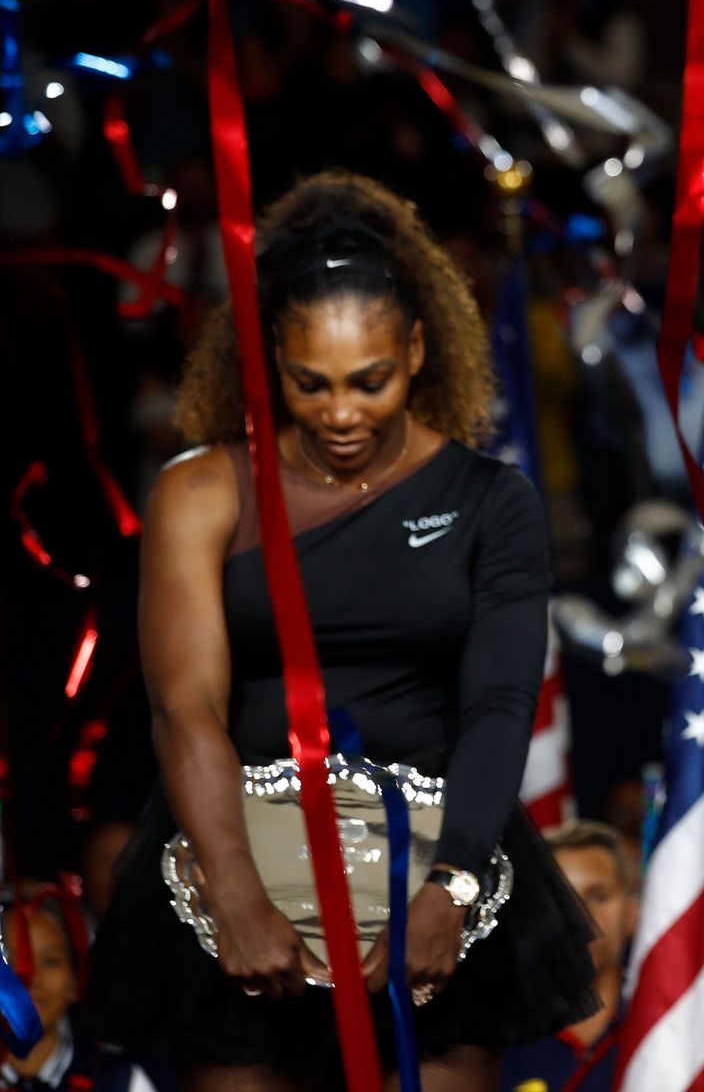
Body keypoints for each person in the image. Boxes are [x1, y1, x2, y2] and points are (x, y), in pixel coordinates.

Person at [88, 171, 597, 1091]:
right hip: (233, 855)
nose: (341, 413)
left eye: (370, 382)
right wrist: (236, 892)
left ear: (415, 349)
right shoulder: (200, 491)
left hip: (443, 864)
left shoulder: (492, 501)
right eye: (308, 385)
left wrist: (451, 891)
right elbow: (186, 705)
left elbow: (498, 706)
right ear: (268, 362)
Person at [497, 823, 638, 1092]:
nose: (580, 917)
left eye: (597, 896)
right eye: (558, 898)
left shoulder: (665, 1028)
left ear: (632, 914)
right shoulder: (493, 1042)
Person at [3, 899, 88, 1092]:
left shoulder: (123, 1078)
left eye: (50, 961)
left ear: (75, 980)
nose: (31, 979)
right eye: (9, 961)